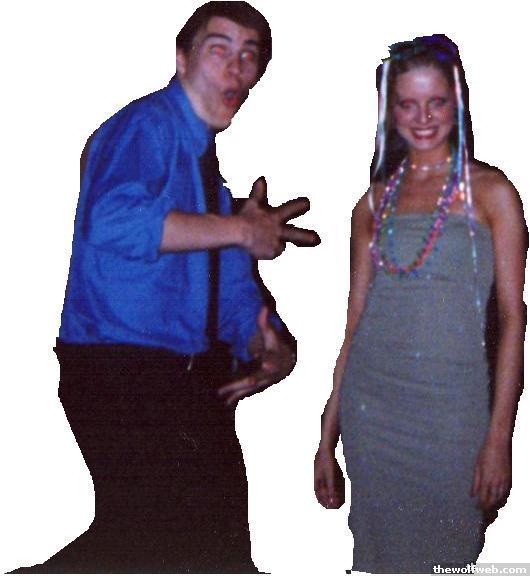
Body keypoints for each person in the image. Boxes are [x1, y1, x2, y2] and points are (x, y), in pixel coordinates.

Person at [12, 2, 318, 574]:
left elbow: (230, 287)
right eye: (219, 49)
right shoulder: (146, 128)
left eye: (249, 56)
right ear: (181, 59)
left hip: (183, 378)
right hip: (123, 370)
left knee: (212, 548)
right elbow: (112, 221)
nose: (236, 67)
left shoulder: (208, 182)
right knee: (166, 544)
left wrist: (269, 344)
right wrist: (241, 229)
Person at [314, 35, 526, 574]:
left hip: (452, 411)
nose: (423, 117)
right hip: (372, 409)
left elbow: (512, 321)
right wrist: (326, 436)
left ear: (458, 101)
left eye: (436, 102)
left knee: (449, 556)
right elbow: (354, 323)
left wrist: (499, 437)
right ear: (389, 111)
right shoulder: (372, 203)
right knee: (381, 557)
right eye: (407, 104)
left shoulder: (492, 193)